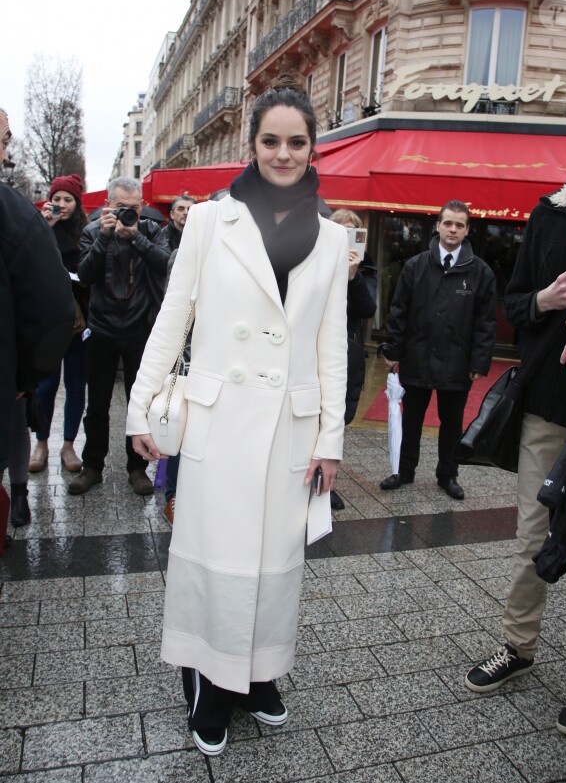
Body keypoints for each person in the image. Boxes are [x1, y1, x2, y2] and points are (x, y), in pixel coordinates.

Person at [126, 74, 348, 757]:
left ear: (313, 149)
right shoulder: (209, 221)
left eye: (298, 142)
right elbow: (174, 318)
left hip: (290, 424)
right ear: (251, 145)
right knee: (218, 558)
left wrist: (332, 437)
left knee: (276, 561)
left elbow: (331, 343)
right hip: (219, 423)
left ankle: (260, 673)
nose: (284, 153)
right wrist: (140, 406)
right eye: (271, 141)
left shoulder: (335, 239)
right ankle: (211, 684)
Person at [465, 111, 566, 739]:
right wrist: (543, 301)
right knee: (532, 539)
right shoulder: (549, 215)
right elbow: (513, 304)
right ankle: (518, 645)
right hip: (546, 407)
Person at [379, 200, 496, 499]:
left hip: (457, 362)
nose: (453, 229)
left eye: (459, 224)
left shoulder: (480, 273)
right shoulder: (415, 266)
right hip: (416, 357)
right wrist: (392, 352)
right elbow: (398, 311)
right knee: (412, 419)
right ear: (438, 225)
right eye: (448, 223)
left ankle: (448, 474)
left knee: (452, 422)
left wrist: (479, 362)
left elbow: (486, 322)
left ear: (467, 230)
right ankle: (404, 471)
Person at [68, 177, 171, 496]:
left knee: (136, 405)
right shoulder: (92, 230)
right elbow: (84, 276)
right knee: (96, 404)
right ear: (108, 207)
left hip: (140, 329)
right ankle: (93, 467)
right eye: (122, 208)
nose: (130, 214)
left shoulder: (151, 230)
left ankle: (136, 469)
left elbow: (166, 264)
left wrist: (136, 237)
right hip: (101, 330)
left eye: (135, 209)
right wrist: (103, 237)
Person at [0, 107, 75, 537]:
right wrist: (23, 375)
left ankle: (20, 492)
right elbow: (53, 309)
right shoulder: (17, 216)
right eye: (5, 141)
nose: (7, 155)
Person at [28, 174, 89, 475]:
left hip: (78, 322)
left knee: (76, 384)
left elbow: (90, 273)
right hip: (48, 320)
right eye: (57, 199)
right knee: (46, 385)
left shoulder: (85, 233)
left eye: (68, 199)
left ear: (77, 203)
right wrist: (43, 229)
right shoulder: (39, 228)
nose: (61, 205)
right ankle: (40, 442)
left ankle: (68, 444)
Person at [328, 209, 376, 510]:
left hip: (347, 352)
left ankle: (327, 482)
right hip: (313, 350)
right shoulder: (314, 261)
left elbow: (368, 308)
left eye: (352, 232)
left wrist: (353, 277)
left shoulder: (365, 268)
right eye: (340, 232)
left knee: (337, 420)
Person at [161, 194, 195, 527]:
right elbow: (174, 314)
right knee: (183, 429)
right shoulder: (181, 255)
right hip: (189, 359)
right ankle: (173, 494)